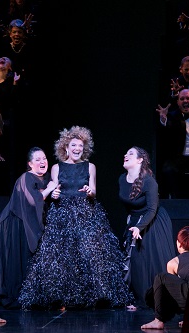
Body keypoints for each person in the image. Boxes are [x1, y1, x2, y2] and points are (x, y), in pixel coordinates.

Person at [18, 125, 133, 309]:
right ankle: (59, 297)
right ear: (66, 147)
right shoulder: (56, 167)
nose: (77, 149)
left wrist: (90, 192)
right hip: (62, 212)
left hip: (86, 211)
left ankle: (98, 296)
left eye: (80, 145)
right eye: (73, 145)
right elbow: (54, 187)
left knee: (92, 254)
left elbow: (94, 190)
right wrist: (54, 194)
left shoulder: (90, 166)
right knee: (61, 256)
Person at [0, 147, 57, 309]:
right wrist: (51, 189)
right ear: (30, 164)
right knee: (17, 257)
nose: (42, 162)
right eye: (37, 159)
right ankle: (16, 294)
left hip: (29, 223)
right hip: (14, 223)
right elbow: (32, 200)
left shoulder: (47, 178)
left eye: (44, 158)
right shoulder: (26, 177)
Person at [119, 146, 176, 308]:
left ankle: (157, 299)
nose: (126, 155)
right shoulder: (122, 179)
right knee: (136, 262)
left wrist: (140, 227)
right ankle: (139, 298)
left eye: (130, 153)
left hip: (153, 221)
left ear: (140, 160)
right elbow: (128, 205)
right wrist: (132, 222)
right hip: (136, 221)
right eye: (126, 152)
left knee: (149, 259)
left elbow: (152, 209)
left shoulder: (149, 182)